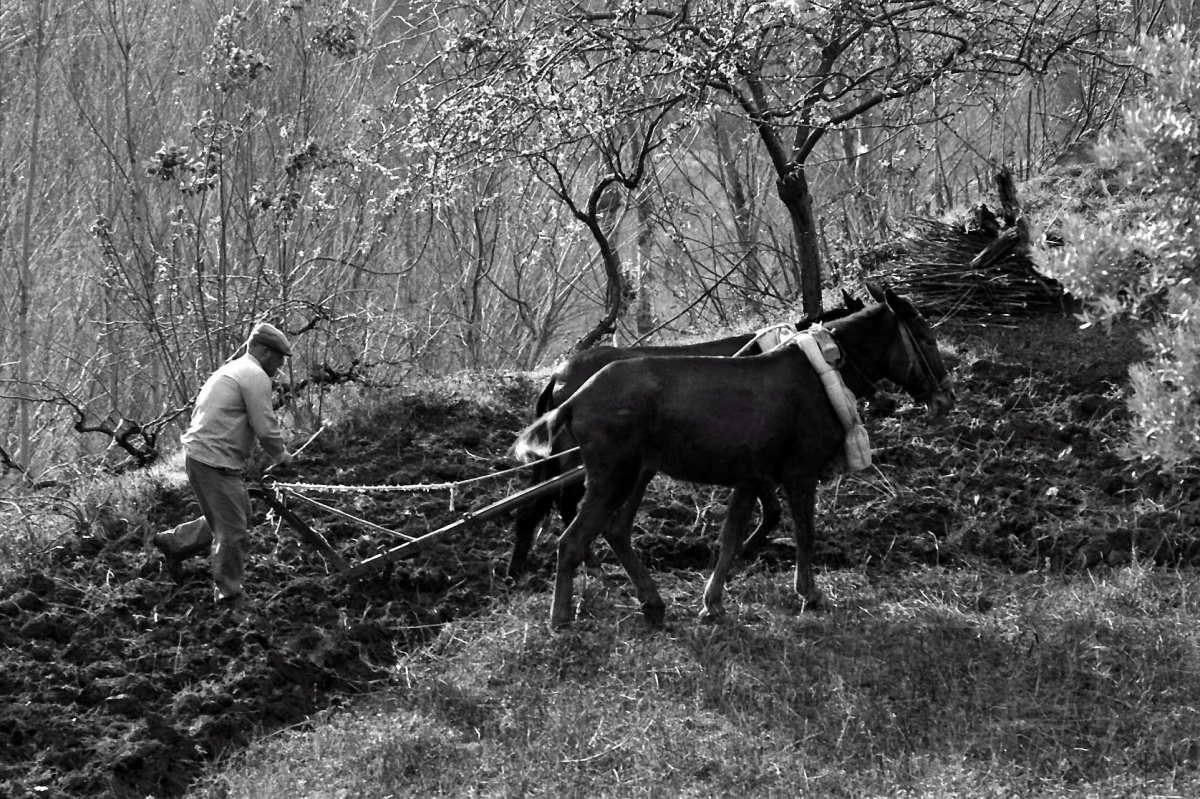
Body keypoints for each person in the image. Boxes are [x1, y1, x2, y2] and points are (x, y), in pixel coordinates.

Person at [152, 322, 295, 610]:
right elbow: (265, 428)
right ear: (264, 352)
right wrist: (282, 456)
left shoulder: (234, 369)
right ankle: (229, 596)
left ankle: (175, 544)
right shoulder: (254, 375)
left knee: (237, 515)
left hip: (204, 456)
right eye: (279, 357)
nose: (280, 365)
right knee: (232, 530)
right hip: (214, 461)